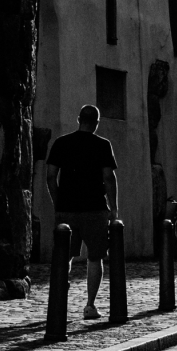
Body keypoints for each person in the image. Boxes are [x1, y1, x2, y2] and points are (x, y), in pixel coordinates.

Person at [46, 105, 119, 319]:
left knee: (64, 257)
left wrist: (58, 202)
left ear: (79, 119)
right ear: (97, 123)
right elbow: (108, 178)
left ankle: (60, 302)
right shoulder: (102, 145)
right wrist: (114, 208)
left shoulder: (61, 143)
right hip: (94, 209)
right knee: (95, 258)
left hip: (67, 209)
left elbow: (51, 176)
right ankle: (90, 305)